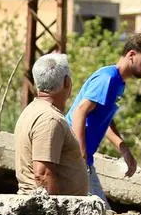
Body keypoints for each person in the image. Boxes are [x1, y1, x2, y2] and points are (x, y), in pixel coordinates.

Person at [67, 33, 141, 207]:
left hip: (82, 159)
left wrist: (124, 149)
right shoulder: (108, 78)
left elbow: (104, 118)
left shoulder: (119, 83)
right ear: (131, 55)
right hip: (73, 156)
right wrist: (81, 154)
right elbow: (80, 112)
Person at [15, 52, 89, 196]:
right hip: (45, 212)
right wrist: (57, 214)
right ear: (67, 82)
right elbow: (43, 175)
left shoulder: (33, 110)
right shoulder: (49, 119)